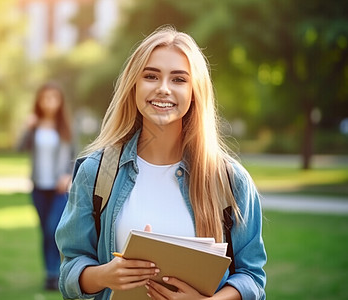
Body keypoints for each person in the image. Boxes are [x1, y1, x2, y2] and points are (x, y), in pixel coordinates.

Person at [55, 25, 267, 300]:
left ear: (195, 92)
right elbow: (70, 269)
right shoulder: (96, 172)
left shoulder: (229, 180)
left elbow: (253, 278)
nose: (163, 89)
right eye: (151, 76)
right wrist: (105, 275)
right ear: (134, 85)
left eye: (178, 79)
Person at [18, 82, 73, 291]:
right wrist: (27, 127)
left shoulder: (66, 126)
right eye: (45, 98)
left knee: (54, 229)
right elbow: (19, 148)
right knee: (44, 231)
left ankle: (59, 272)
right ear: (39, 101)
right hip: (39, 187)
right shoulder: (35, 125)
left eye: (54, 98)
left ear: (60, 102)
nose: (49, 102)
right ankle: (50, 275)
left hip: (59, 189)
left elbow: (75, 155)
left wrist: (68, 176)